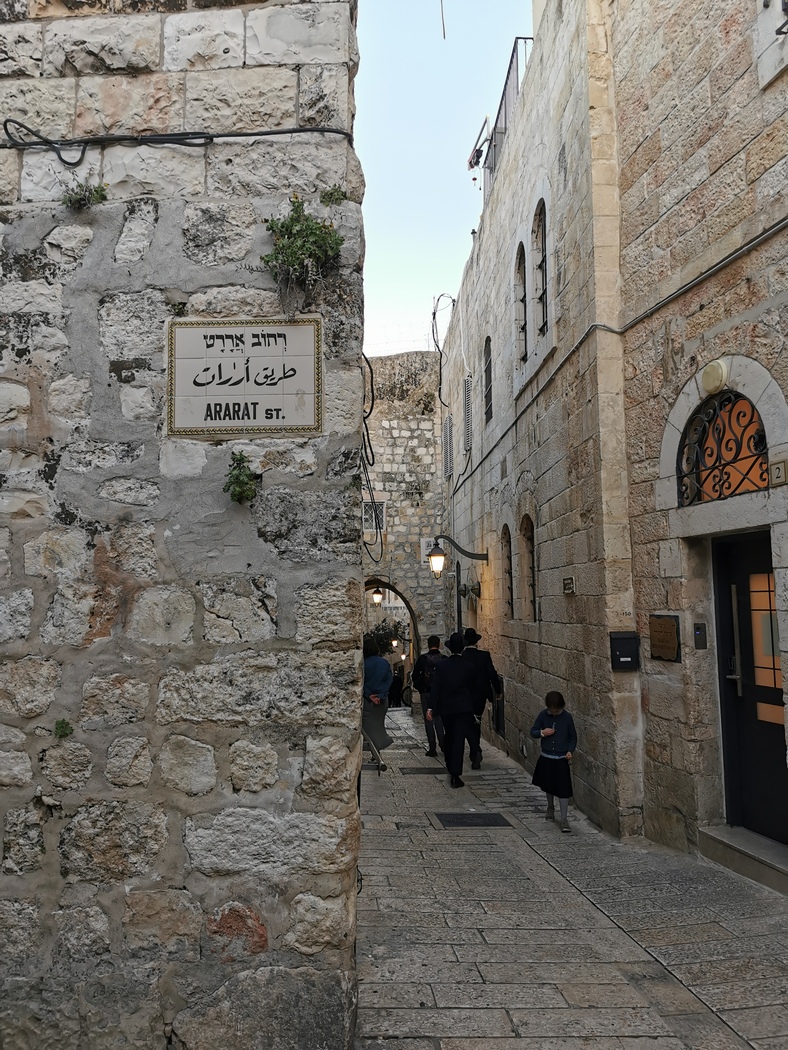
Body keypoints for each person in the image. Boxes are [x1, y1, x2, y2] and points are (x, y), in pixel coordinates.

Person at [427, 632, 485, 788]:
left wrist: (430, 707)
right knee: (458, 740)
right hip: (463, 709)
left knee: (450, 737)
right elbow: (474, 690)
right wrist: (474, 709)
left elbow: (436, 688)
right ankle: (455, 775)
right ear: (462, 648)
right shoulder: (469, 666)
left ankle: (450, 767)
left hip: (446, 708)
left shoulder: (442, 666)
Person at [530, 690, 577, 832]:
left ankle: (564, 819)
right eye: (552, 710)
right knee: (548, 785)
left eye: (557, 710)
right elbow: (533, 731)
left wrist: (570, 750)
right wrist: (542, 733)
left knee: (563, 789)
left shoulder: (567, 718)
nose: (554, 712)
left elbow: (572, 737)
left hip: (561, 758)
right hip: (547, 757)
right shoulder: (543, 715)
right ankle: (550, 807)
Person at [462, 627, 503, 769]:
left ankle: (475, 750)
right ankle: (475, 750)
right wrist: (498, 691)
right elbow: (492, 674)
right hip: (480, 696)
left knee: (468, 723)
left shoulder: (462, 657)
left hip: (465, 697)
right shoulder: (484, 656)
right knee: (476, 722)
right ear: (476, 642)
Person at [412, 635, 445, 757]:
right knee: (439, 719)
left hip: (426, 692)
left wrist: (421, 688)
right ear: (439, 644)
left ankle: (432, 748)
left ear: (428, 644)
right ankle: (443, 745)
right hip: (440, 694)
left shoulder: (422, 659)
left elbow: (415, 676)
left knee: (428, 720)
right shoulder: (443, 659)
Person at [362, 637, 393, 751]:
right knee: (379, 727)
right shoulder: (384, 663)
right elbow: (388, 681)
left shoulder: (363, 664)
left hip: (368, 701)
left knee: (367, 729)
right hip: (382, 701)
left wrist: (369, 695)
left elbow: (361, 682)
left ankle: (373, 751)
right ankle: (377, 750)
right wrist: (381, 695)